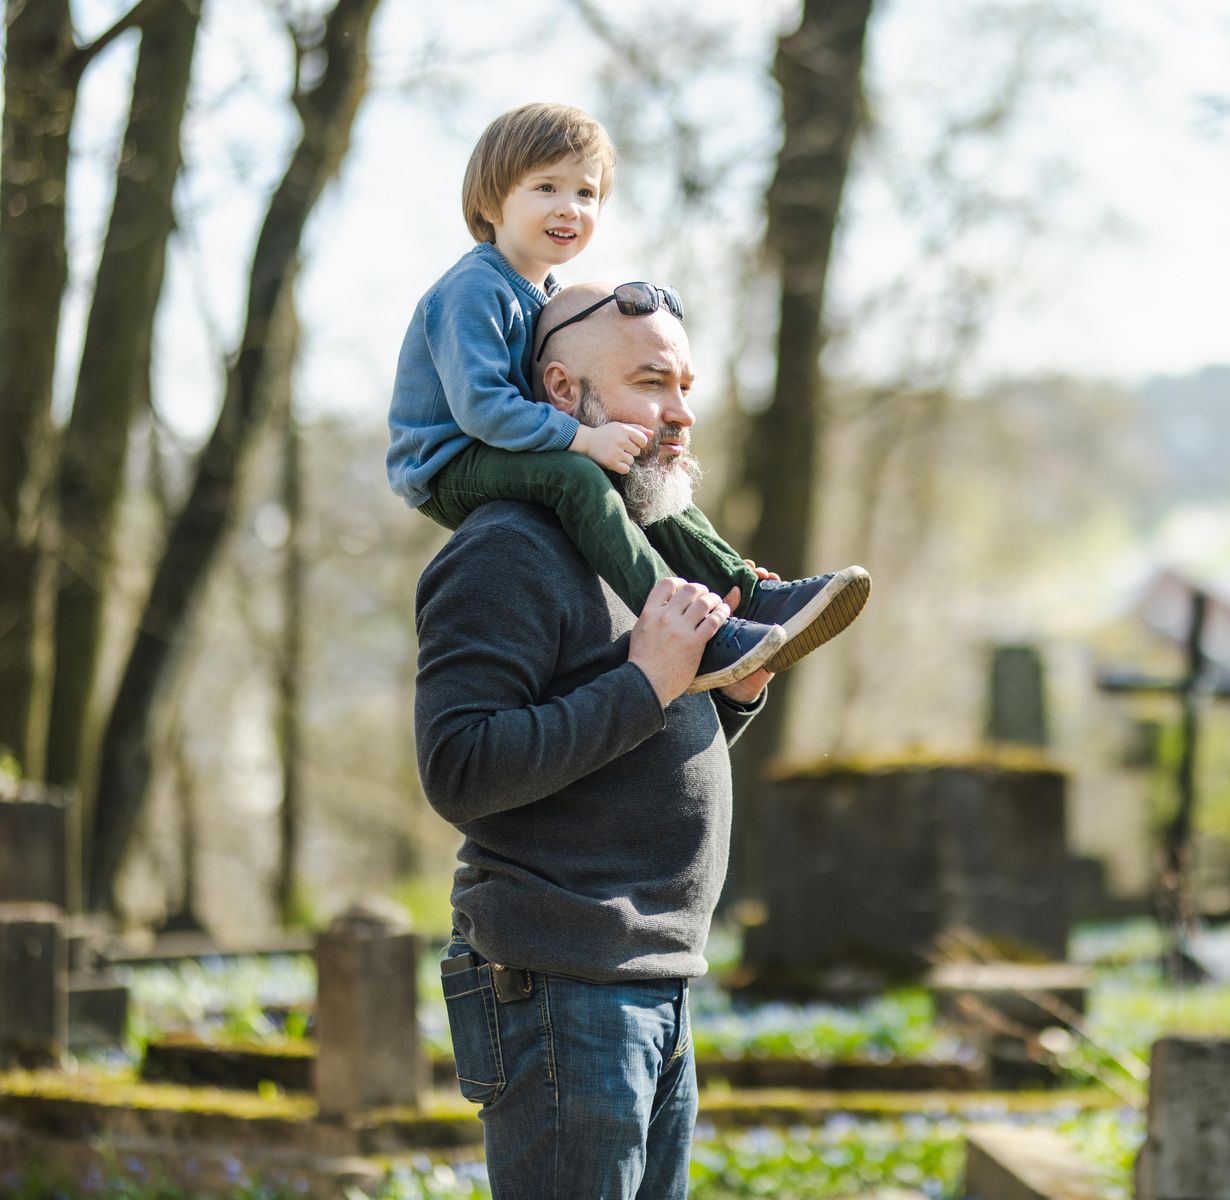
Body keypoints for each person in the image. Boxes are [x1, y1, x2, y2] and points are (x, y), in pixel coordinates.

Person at [416, 284, 770, 1198]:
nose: (681, 415)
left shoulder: (640, 551)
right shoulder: (507, 546)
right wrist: (650, 679)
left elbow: (629, 753)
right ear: (562, 391)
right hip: (561, 987)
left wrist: (731, 696)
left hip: (654, 980)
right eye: (651, 383)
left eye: (687, 385)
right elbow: (460, 767)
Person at [388, 102, 868, 692]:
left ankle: (748, 591)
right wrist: (585, 438)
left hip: (509, 446)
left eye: (586, 193)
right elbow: (481, 408)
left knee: (647, 461)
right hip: (448, 462)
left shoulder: (546, 295)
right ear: (490, 203)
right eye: (546, 187)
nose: (570, 207)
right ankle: (691, 628)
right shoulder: (473, 289)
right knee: (576, 476)